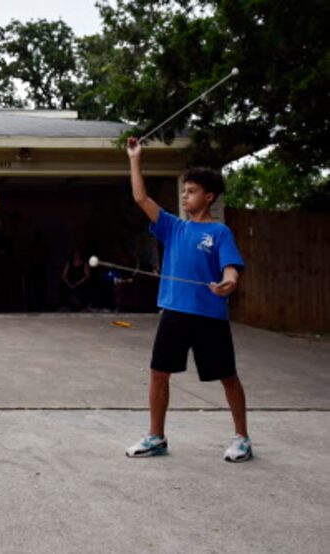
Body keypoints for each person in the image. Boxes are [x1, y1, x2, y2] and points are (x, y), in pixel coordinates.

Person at [124, 137, 251, 463]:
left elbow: (230, 266)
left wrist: (229, 282)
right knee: (158, 372)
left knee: (228, 376)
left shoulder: (220, 232)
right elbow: (140, 197)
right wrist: (135, 159)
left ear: (209, 197)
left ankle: (242, 438)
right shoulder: (172, 227)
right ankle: (157, 437)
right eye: (184, 190)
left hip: (209, 315)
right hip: (174, 313)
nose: (185, 194)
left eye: (191, 190)